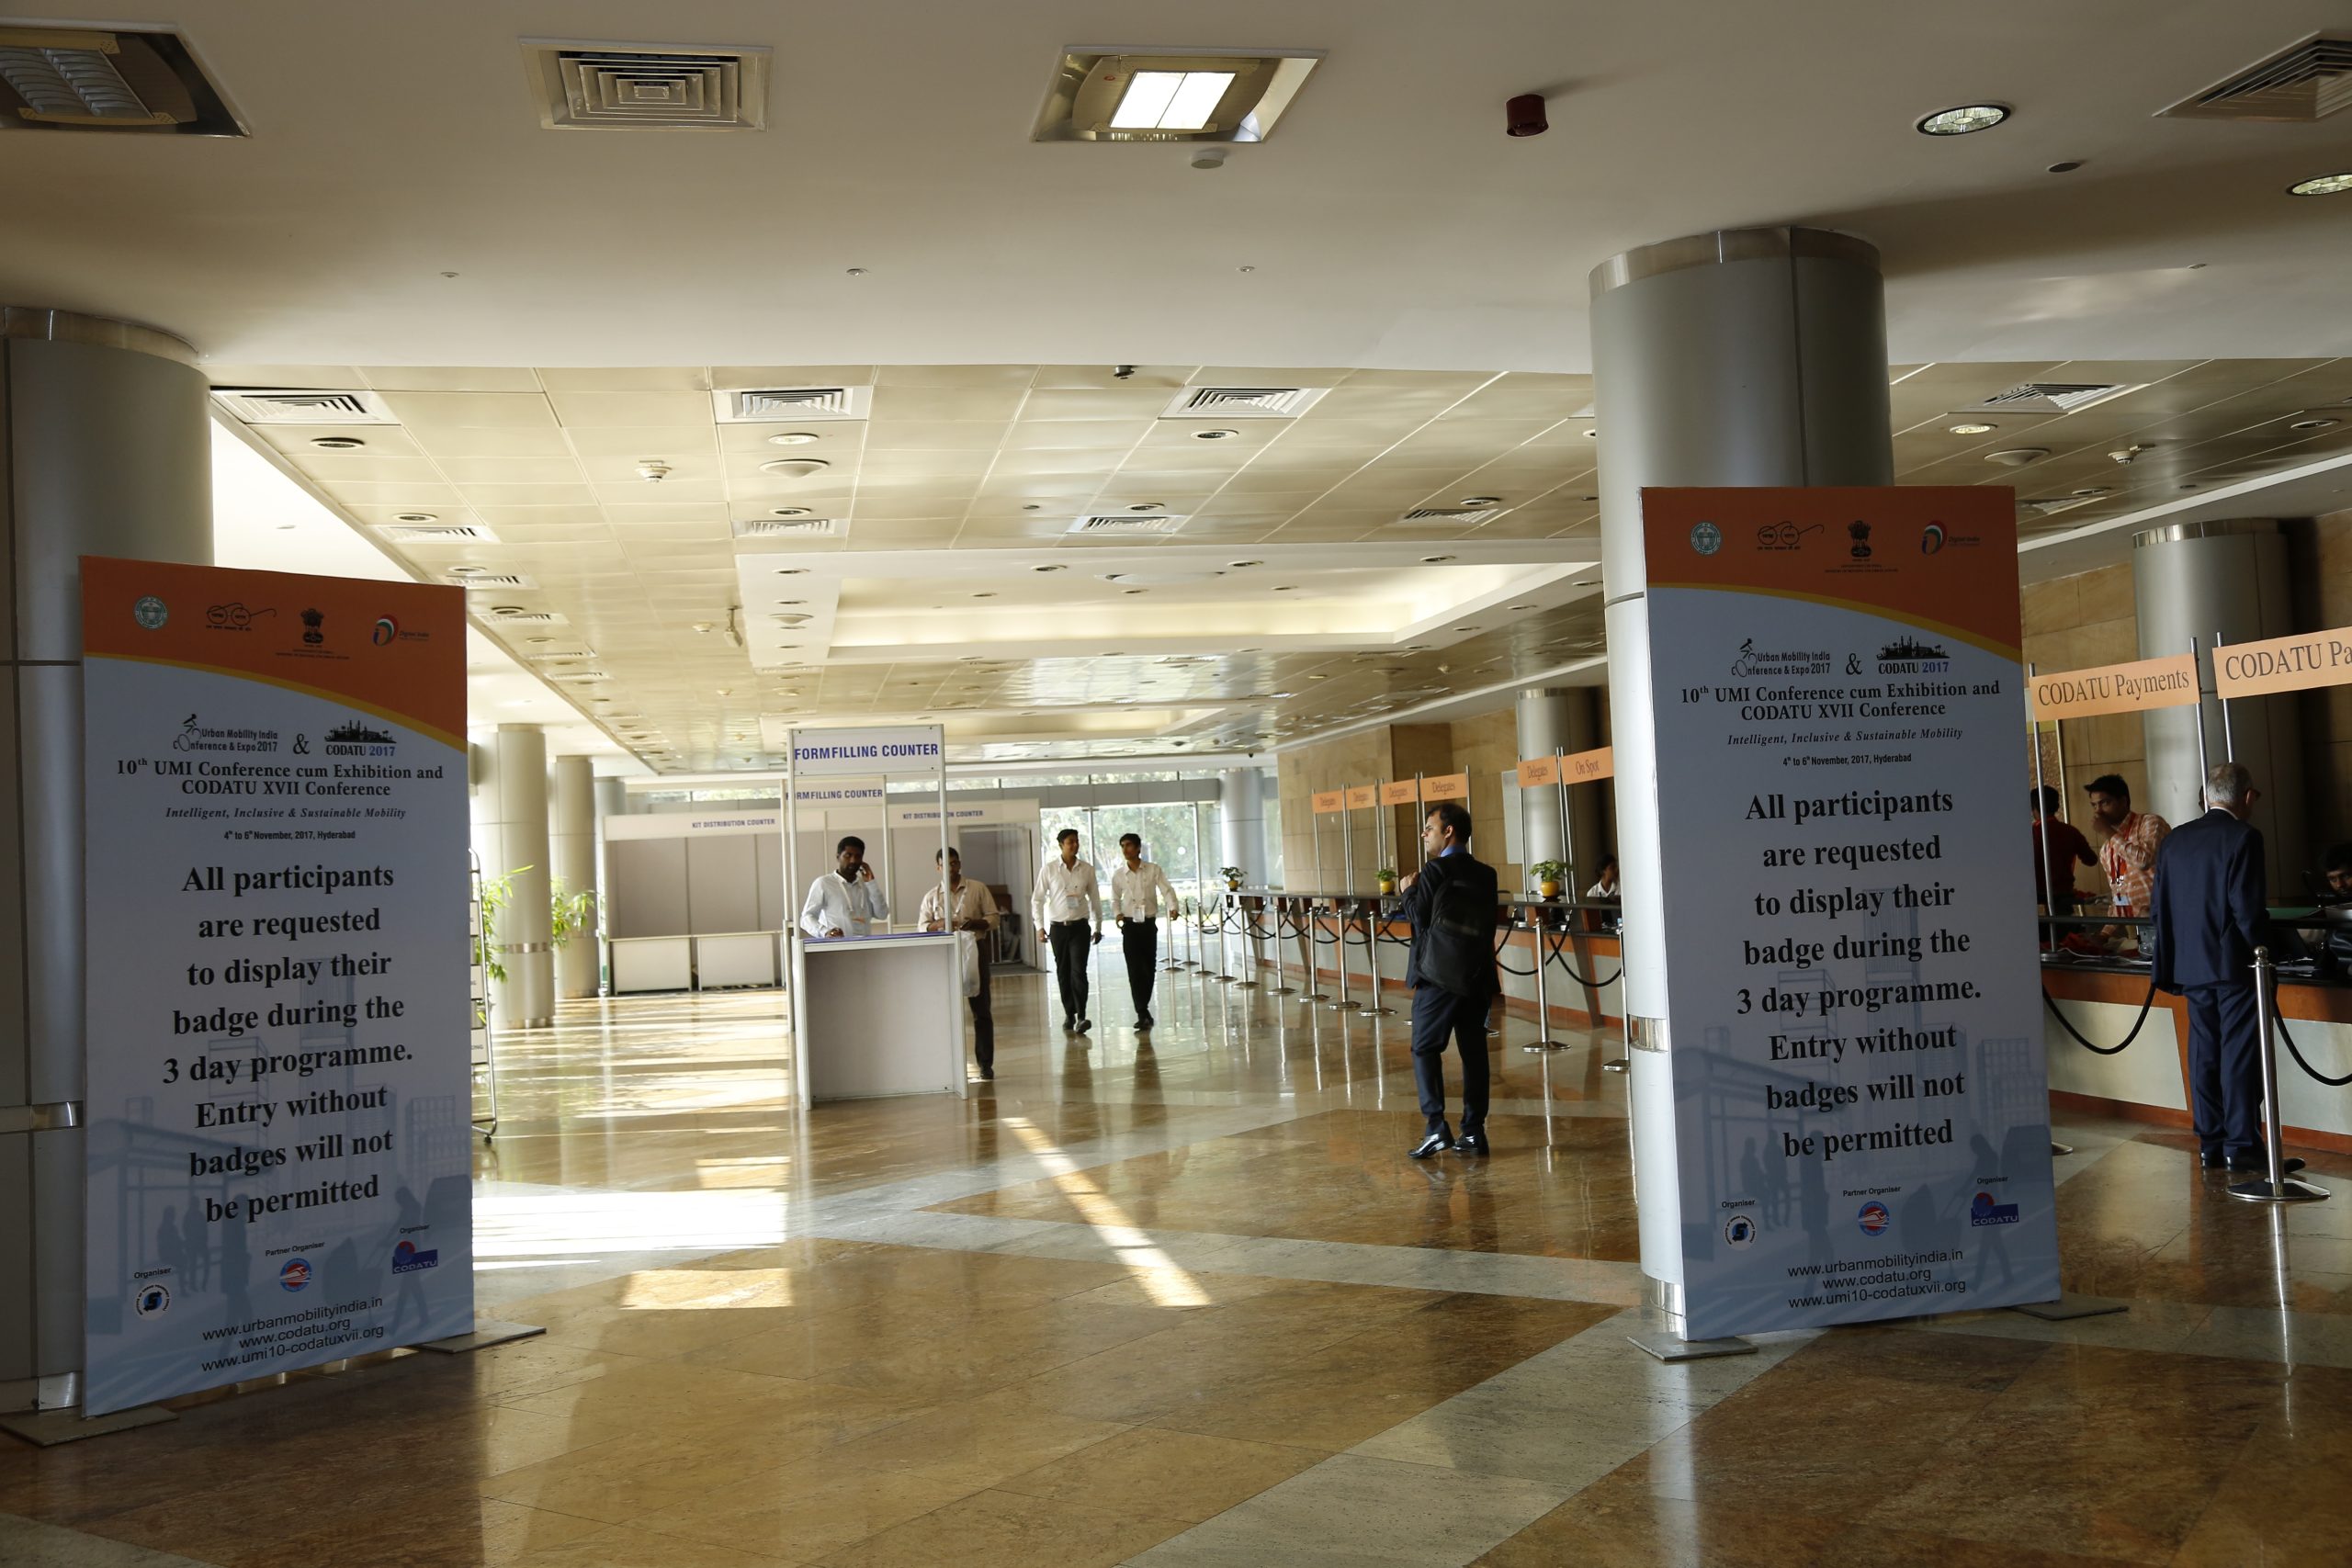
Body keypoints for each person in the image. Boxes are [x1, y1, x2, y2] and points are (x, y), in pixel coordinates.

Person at [2149, 762, 2299, 1175]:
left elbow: (2159, 907)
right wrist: (2266, 950)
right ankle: (2242, 1145)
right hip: (2234, 965)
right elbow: (2246, 908)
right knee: (2238, 1054)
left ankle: (2210, 1143)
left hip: (2189, 964)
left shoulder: (2175, 840)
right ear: (2247, 797)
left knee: (2204, 1052)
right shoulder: (2244, 837)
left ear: (2209, 797)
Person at [1396, 801, 1499, 1158]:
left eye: (1429, 828)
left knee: (1425, 1048)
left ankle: (1436, 1127)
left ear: (1448, 831)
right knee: (1474, 1054)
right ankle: (1473, 1131)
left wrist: (1407, 890)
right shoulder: (1487, 874)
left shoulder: (1435, 870)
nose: (1424, 834)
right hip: (1477, 976)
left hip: (1438, 977)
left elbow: (1419, 919)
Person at [920, 847, 1000, 1079]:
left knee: (981, 1009)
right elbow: (922, 926)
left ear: (960, 864)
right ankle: (947, 1066)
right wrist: (939, 924)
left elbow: (994, 918)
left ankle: (985, 1064)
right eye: (946, 864)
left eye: (954, 863)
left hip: (975, 949)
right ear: (938, 868)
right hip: (944, 953)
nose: (951, 868)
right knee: (944, 1010)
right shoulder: (932, 896)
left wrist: (975, 923)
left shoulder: (977, 888)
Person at [1032, 827, 1102, 1032]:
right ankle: (1069, 1014)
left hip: (1080, 927)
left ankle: (1082, 1016)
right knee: (1063, 972)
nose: (1075, 845)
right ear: (1061, 845)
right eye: (1071, 841)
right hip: (1058, 929)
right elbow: (1037, 899)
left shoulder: (1087, 869)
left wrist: (1098, 926)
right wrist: (1039, 927)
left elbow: (1095, 898)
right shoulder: (1049, 869)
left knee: (1078, 971)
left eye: (1077, 841)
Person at [1109, 832, 1179, 1031]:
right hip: (1130, 926)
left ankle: (1144, 1006)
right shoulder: (1119, 874)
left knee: (1148, 967)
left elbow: (1166, 889)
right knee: (1134, 969)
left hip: (1148, 924)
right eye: (1122, 846)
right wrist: (1117, 914)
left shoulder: (1153, 869)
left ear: (1138, 848)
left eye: (1129, 845)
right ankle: (1141, 1011)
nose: (1125, 849)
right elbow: (1114, 898)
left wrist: (1173, 907)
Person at [2084, 774, 2168, 926]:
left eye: (2104, 803)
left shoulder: (2150, 823)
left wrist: (2108, 832)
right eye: (2094, 806)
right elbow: (2119, 894)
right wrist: (2105, 933)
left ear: (2123, 801)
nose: (2098, 812)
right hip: (2136, 926)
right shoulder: (2107, 850)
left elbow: (2144, 861)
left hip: (2165, 919)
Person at [799, 835, 888, 939]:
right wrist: (825, 932)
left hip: (864, 946)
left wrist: (871, 883)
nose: (853, 861)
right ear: (838, 857)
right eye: (848, 855)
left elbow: (882, 914)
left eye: (858, 856)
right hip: (835, 945)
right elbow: (806, 918)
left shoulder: (866, 885)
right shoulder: (824, 883)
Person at [2032, 786, 2096, 915]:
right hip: (2064, 894)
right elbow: (2091, 860)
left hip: (2035, 894)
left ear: (2033, 808)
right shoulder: (2071, 831)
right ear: (2057, 806)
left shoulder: (2032, 833)